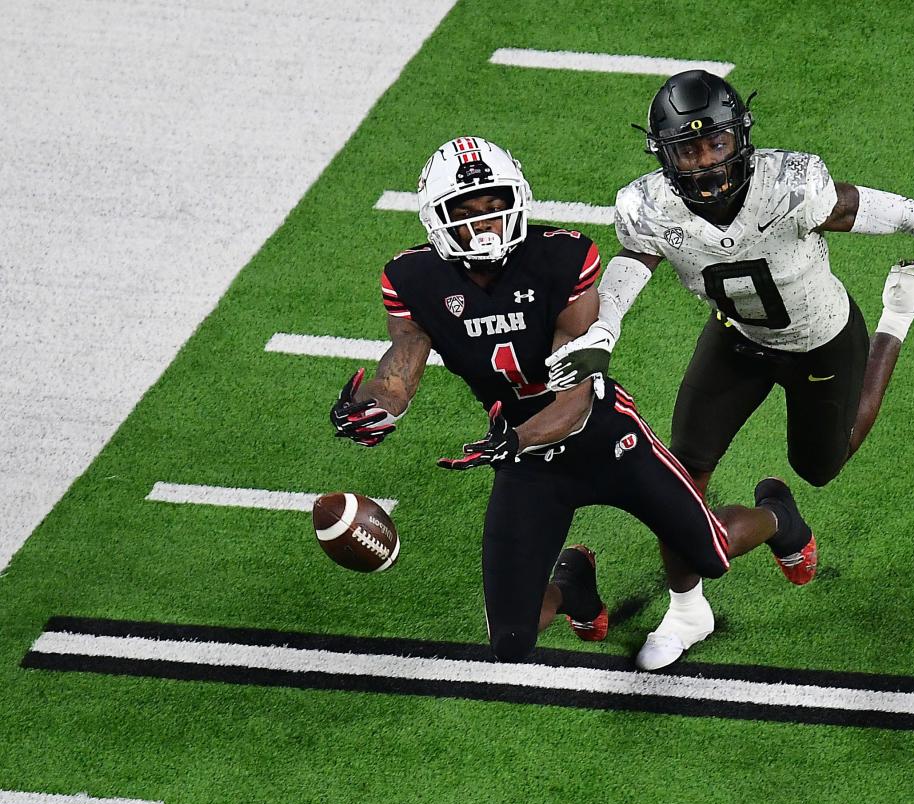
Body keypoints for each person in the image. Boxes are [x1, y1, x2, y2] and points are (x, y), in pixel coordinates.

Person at [546, 70, 914, 669]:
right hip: (736, 337)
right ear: (663, 154)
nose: (706, 162)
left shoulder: (791, 186)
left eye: (716, 143)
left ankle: (893, 321)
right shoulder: (648, 205)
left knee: (820, 465)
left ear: (740, 138)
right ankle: (687, 609)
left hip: (823, 340)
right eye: (688, 149)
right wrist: (603, 333)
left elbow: (897, 211)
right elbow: (629, 269)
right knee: (681, 477)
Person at [329, 136, 816, 668]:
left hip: (603, 437)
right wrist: (378, 403)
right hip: (523, 458)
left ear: (516, 200)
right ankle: (573, 586)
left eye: (494, 208)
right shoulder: (412, 277)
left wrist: (515, 441)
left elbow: (576, 393)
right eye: (464, 213)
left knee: (712, 554)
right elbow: (403, 358)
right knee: (510, 639)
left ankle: (779, 518)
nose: (484, 225)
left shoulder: (561, 257)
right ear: (436, 219)